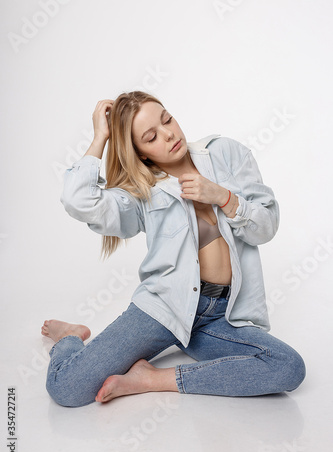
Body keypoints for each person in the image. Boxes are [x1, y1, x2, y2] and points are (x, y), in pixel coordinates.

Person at [41, 91, 306, 407]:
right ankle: (70, 337)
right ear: (141, 153)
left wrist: (224, 197)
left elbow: (267, 227)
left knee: (288, 366)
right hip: (163, 309)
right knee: (66, 388)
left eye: (167, 119)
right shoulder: (142, 192)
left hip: (222, 315)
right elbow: (78, 200)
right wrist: (100, 137)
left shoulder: (225, 154)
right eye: (151, 137)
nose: (168, 135)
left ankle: (152, 379)